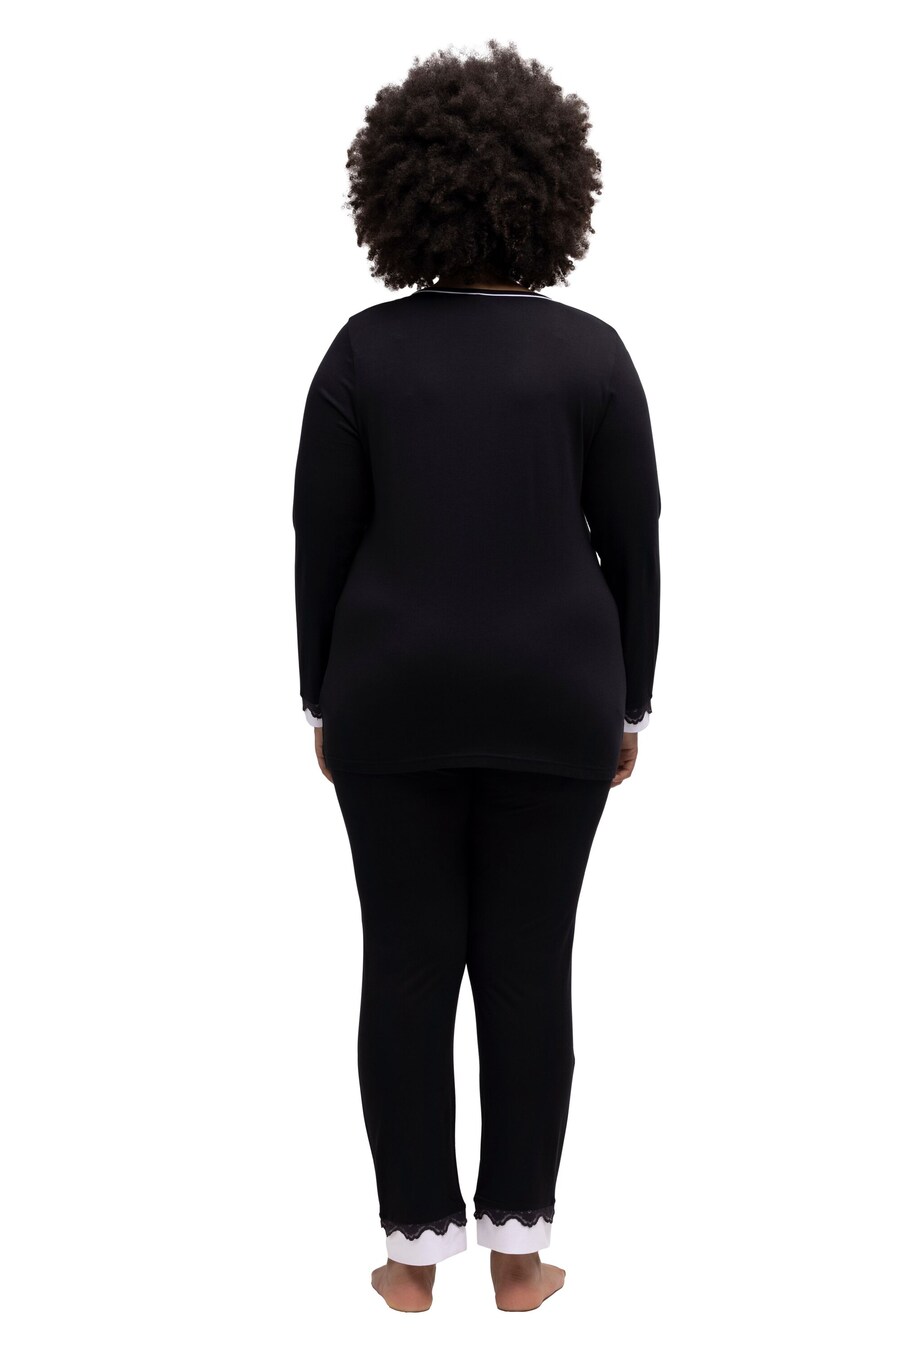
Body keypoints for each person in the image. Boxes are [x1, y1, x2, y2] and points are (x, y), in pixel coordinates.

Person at [292, 38, 662, 1313]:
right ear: (554, 190)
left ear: (400, 190)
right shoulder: (595, 356)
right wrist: (630, 701)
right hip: (558, 700)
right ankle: (517, 1254)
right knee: (528, 970)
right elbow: (633, 543)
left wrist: (322, 696)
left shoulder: (360, 353)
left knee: (403, 966)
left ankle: (411, 1259)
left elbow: (321, 540)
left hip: (390, 697)